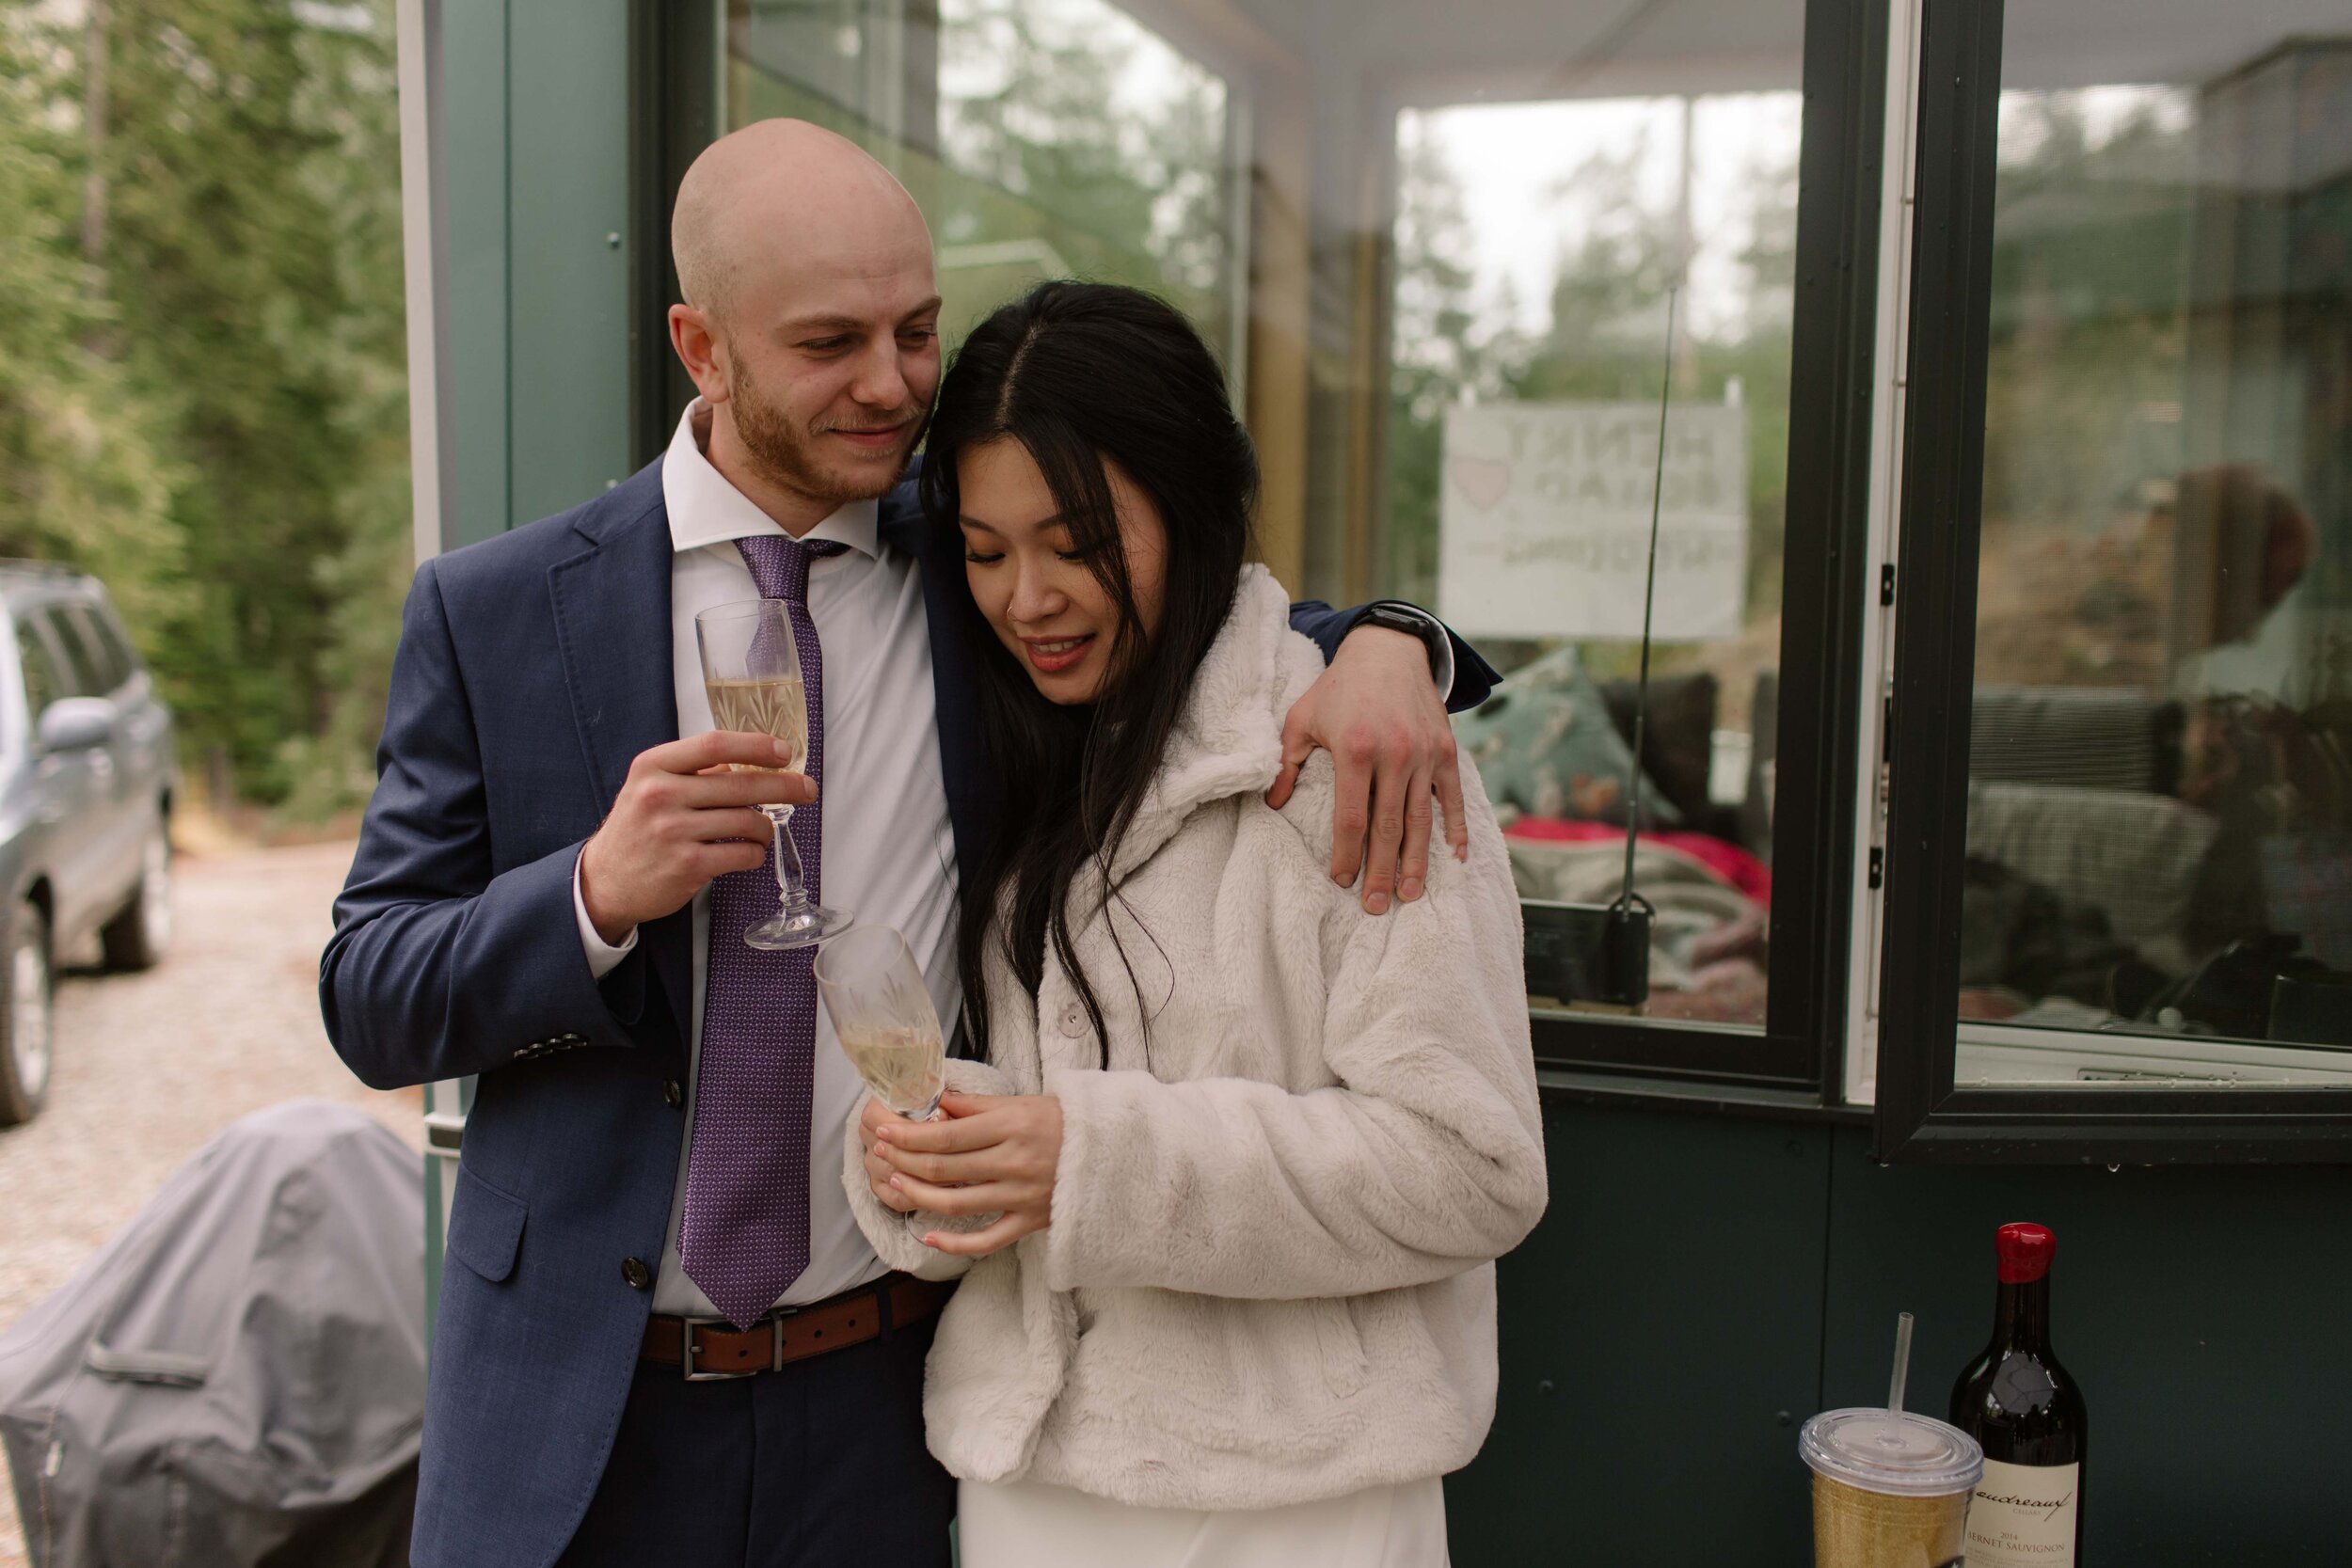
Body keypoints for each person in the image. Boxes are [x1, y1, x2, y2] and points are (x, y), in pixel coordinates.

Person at [320, 120, 1495, 1568]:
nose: (891, 385)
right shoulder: (494, 611)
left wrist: (1394, 644)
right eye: (830, 342)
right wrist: (590, 896)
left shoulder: (972, 560)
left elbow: (1186, 605)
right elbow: (369, 991)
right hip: (578, 1414)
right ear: (702, 343)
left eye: (917, 330)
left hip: (885, 1409)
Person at [848, 281, 1547, 1566]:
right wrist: (943, 1152)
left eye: (1076, 543)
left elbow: (1474, 1167)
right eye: (987, 553)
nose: (1027, 600)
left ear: (1196, 503)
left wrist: (1088, 1161)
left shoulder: (1354, 757)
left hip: (1295, 1506)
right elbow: (1046, 1109)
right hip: (1031, 1487)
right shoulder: (1023, 747)